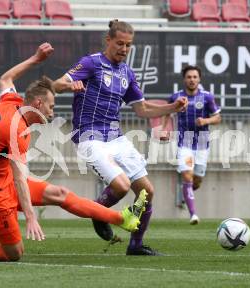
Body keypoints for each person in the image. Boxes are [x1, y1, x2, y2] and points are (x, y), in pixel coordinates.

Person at [0, 43, 147, 262]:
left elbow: (5, 79)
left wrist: (36, 59)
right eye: (51, 106)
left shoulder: (12, 102)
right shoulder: (16, 130)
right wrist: (30, 217)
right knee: (14, 253)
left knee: (60, 194)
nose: (52, 111)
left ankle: (122, 218)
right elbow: (20, 178)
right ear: (38, 103)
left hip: (2, 179)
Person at [53, 20, 188, 256]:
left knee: (147, 191)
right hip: (89, 136)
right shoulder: (91, 63)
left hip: (115, 137)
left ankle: (135, 245)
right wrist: (68, 86)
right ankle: (98, 212)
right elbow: (56, 85)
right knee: (121, 185)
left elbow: (142, 109)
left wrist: (172, 107)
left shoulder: (127, 72)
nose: (124, 49)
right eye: (119, 44)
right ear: (108, 41)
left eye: (128, 45)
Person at [161, 65, 221, 225]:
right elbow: (167, 112)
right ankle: (193, 214)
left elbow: (217, 118)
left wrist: (206, 121)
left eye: (195, 77)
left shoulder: (207, 97)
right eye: (189, 77)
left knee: (197, 180)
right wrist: (165, 130)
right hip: (184, 144)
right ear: (184, 79)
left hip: (202, 145)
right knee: (187, 175)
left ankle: (184, 195)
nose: (192, 80)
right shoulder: (177, 97)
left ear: (199, 79)